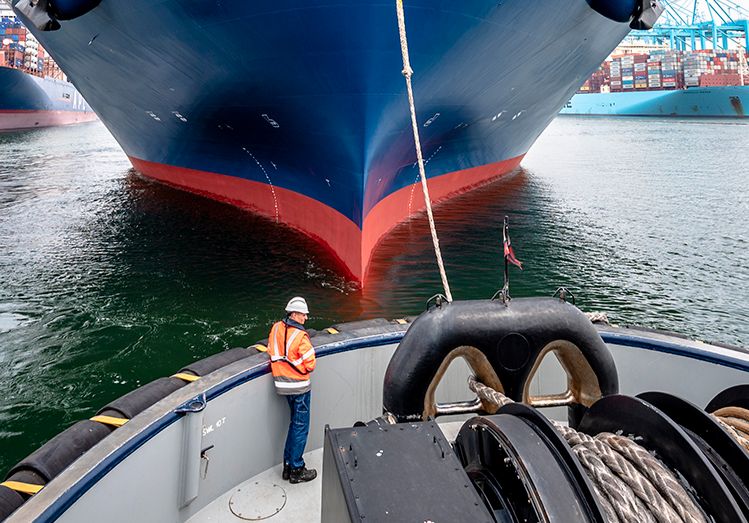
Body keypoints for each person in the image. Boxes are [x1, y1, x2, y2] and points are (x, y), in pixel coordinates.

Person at [268, 296, 317, 483]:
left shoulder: (276, 328)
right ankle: (297, 469)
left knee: (293, 425)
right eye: (304, 314)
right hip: (299, 387)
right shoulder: (301, 336)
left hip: (281, 384)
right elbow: (310, 364)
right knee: (300, 426)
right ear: (295, 314)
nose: (305, 318)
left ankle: (287, 466)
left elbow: (271, 351)